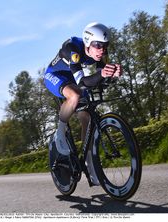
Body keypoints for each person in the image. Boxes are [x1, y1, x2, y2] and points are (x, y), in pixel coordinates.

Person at [44, 22, 122, 185]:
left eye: (105, 46)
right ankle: (60, 132)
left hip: (72, 78)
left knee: (86, 116)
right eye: (98, 46)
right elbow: (82, 83)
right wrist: (101, 73)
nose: (102, 50)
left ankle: (89, 164)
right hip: (55, 75)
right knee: (75, 95)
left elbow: (101, 80)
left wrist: (112, 75)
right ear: (88, 42)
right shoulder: (73, 49)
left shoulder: (99, 54)